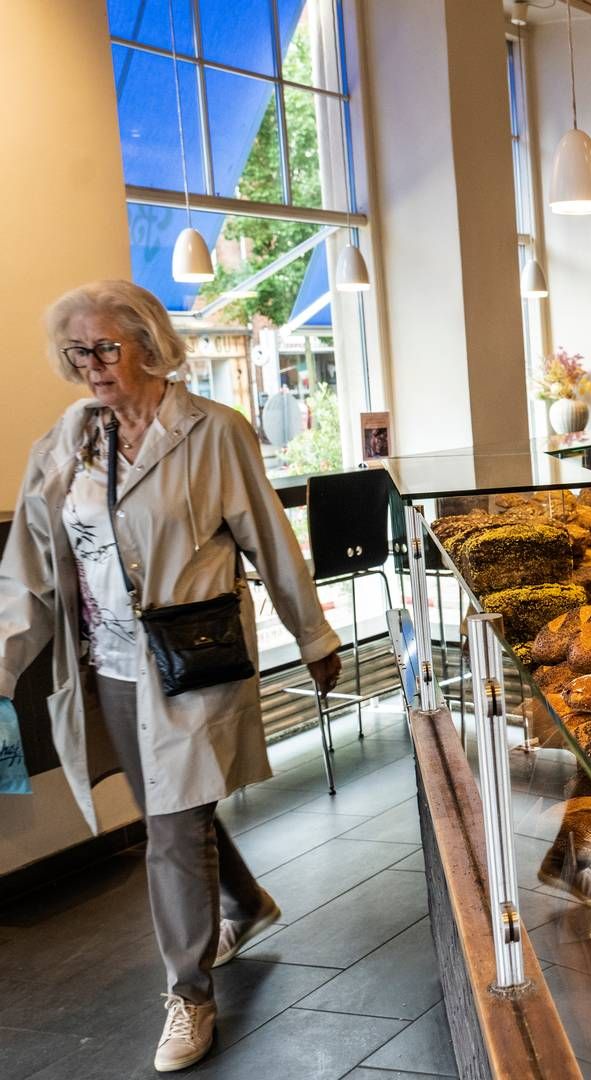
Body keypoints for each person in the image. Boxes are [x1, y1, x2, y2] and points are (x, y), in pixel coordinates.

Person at [0, 281, 343, 1071]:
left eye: (104, 348)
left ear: (150, 346)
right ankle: (244, 902)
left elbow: (270, 538)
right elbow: (28, 566)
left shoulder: (215, 433)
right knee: (170, 804)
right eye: (76, 351)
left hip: (195, 659)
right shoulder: (66, 443)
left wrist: (314, 635)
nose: (90, 365)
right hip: (110, 666)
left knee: (169, 825)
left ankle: (189, 997)